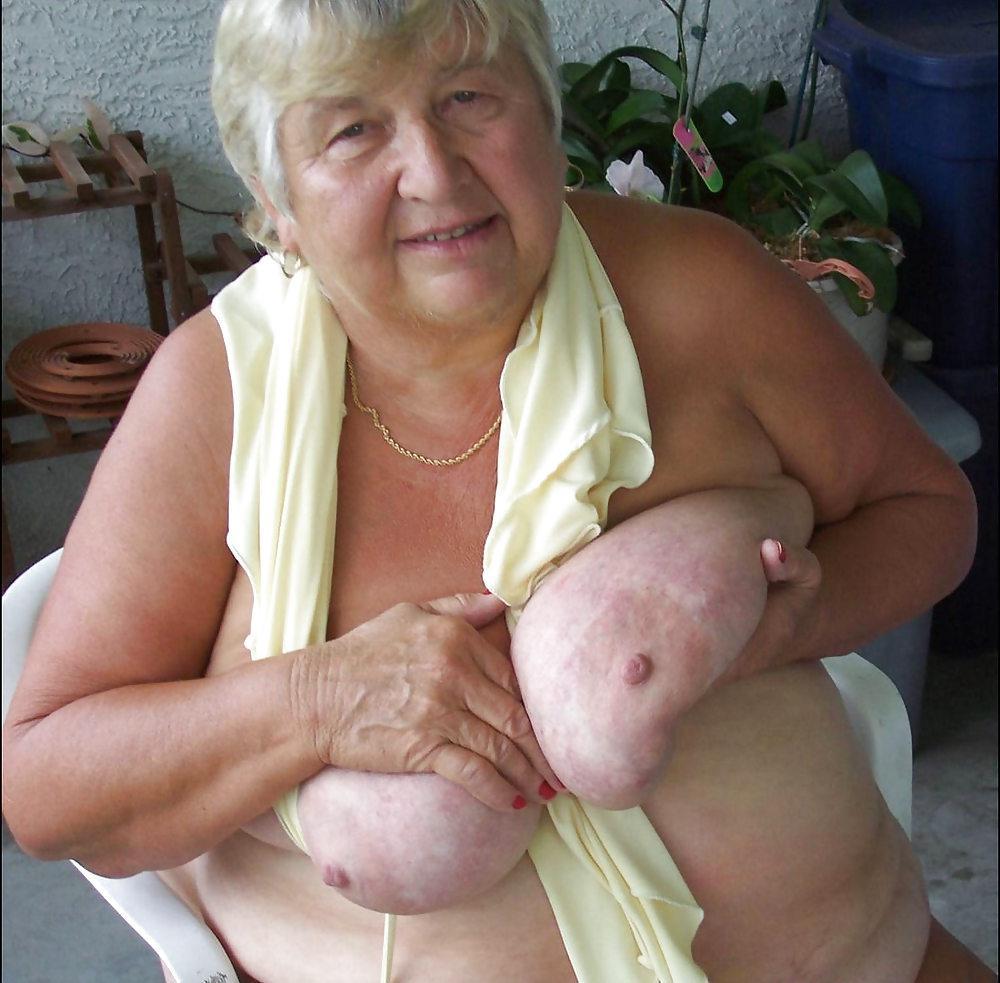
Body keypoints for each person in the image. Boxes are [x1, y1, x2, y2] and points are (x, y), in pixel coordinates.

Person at [1, 1, 992, 981]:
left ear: (546, 112)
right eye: (352, 131)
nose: (434, 174)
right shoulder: (216, 395)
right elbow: (47, 786)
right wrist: (321, 700)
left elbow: (927, 508)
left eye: (468, 98)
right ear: (275, 200)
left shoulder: (700, 289)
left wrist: (787, 623)